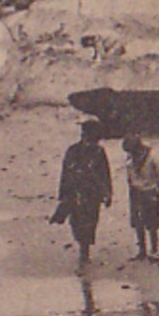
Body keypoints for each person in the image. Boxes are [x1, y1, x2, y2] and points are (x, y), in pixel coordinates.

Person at [50, 116, 114, 272]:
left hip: (92, 193)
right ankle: (82, 246)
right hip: (74, 192)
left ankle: (84, 252)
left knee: (91, 221)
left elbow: (105, 173)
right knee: (76, 222)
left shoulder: (99, 152)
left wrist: (108, 193)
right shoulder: (73, 150)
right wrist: (63, 194)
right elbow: (65, 173)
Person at [123, 134, 159, 260]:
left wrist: (158, 189)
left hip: (150, 191)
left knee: (152, 222)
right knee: (137, 222)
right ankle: (142, 250)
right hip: (135, 191)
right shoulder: (130, 158)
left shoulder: (152, 157)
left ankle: (154, 249)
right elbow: (129, 175)